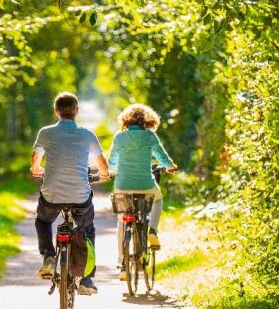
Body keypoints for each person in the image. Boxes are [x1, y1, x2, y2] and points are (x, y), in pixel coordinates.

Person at [30, 92, 110, 295]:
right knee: (87, 229)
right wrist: (105, 175)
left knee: (43, 220)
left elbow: (35, 158)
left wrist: (36, 170)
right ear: (77, 111)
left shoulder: (45, 133)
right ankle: (87, 279)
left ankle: (48, 255)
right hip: (80, 197)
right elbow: (102, 164)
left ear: (56, 111)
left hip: (52, 195)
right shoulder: (87, 134)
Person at [107, 103, 177, 278]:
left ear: (126, 120)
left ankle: (123, 264)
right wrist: (170, 166)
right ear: (147, 120)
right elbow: (162, 157)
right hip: (145, 184)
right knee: (158, 199)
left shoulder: (119, 137)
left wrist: (111, 171)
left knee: (122, 219)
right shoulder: (149, 136)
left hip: (122, 185)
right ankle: (152, 231)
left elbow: (112, 162)